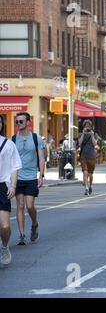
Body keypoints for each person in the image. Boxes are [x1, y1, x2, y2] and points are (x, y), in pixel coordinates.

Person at [11, 112, 45, 246]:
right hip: (17, 177)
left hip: (31, 176)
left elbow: (41, 159)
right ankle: (22, 235)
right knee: (20, 206)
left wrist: (41, 175)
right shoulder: (13, 140)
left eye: (21, 121)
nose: (18, 124)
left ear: (28, 122)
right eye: (17, 122)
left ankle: (35, 223)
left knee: (30, 206)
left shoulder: (36, 138)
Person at [0, 116, 22, 266]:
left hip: (2, 186)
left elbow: (14, 167)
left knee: (5, 226)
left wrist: (13, 186)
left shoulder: (8, 144)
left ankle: (5, 247)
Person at [78, 120, 98, 196]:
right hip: (83, 156)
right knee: (85, 172)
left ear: (91, 127)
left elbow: (95, 144)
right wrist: (83, 133)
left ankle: (90, 186)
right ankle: (86, 188)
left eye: (89, 126)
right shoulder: (81, 134)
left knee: (90, 174)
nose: (87, 128)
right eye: (86, 126)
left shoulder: (94, 134)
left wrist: (92, 135)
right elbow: (79, 143)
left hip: (92, 156)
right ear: (83, 127)